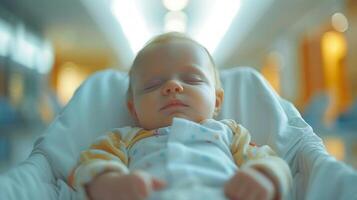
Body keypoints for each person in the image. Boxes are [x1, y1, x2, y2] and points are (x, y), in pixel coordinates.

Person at [68, 32, 292, 200]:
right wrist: (111, 184)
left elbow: (269, 159)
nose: (173, 86)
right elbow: (87, 167)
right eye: (152, 85)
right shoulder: (121, 139)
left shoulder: (229, 132)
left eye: (192, 80)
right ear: (134, 110)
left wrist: (264, 176)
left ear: (216, 101)